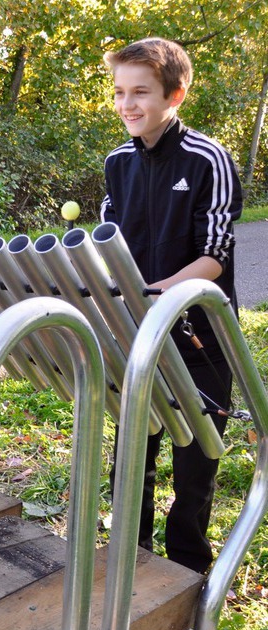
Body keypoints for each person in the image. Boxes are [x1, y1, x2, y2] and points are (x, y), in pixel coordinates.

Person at [100, 37, 243, 573]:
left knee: (196, 467)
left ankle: (188, 571)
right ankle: (130, 561)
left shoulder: (208, 158)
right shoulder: (117, 162)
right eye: (120, 92)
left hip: (202, 337)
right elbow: (110, 244)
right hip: (140, 336)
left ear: (175, 94)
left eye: (140, 92)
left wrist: (157, 294)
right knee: (132, 456)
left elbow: (214, 257)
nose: (127, 104)